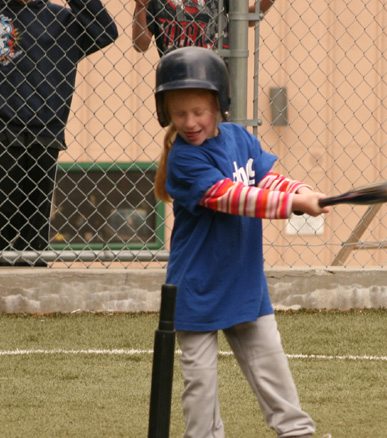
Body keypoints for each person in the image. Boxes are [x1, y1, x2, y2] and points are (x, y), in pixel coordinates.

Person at [153, 46, 342, 438]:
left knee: (270, 367)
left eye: (198, 110)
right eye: (179, 113)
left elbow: (265, 180)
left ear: (219, 104)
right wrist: (292, 204)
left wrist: (300, 189)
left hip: (243, 279)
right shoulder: (184, 160)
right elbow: (233, 197)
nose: (190, 122)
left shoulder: (239, 136)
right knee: (200, 382)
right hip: (196, 286)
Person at [0, 0, 118, 265]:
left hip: (46, 134)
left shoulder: (62, 20)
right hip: (3, 133)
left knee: (34, 233)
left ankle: (31, 294)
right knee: (3, 216)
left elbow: (106, 31)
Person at [132, 0, 275, 56]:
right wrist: (141, 6)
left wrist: (267, 2)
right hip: (176, 80)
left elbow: (245, 19)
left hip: (215, 77)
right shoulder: (157, 2)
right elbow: (140, 44)